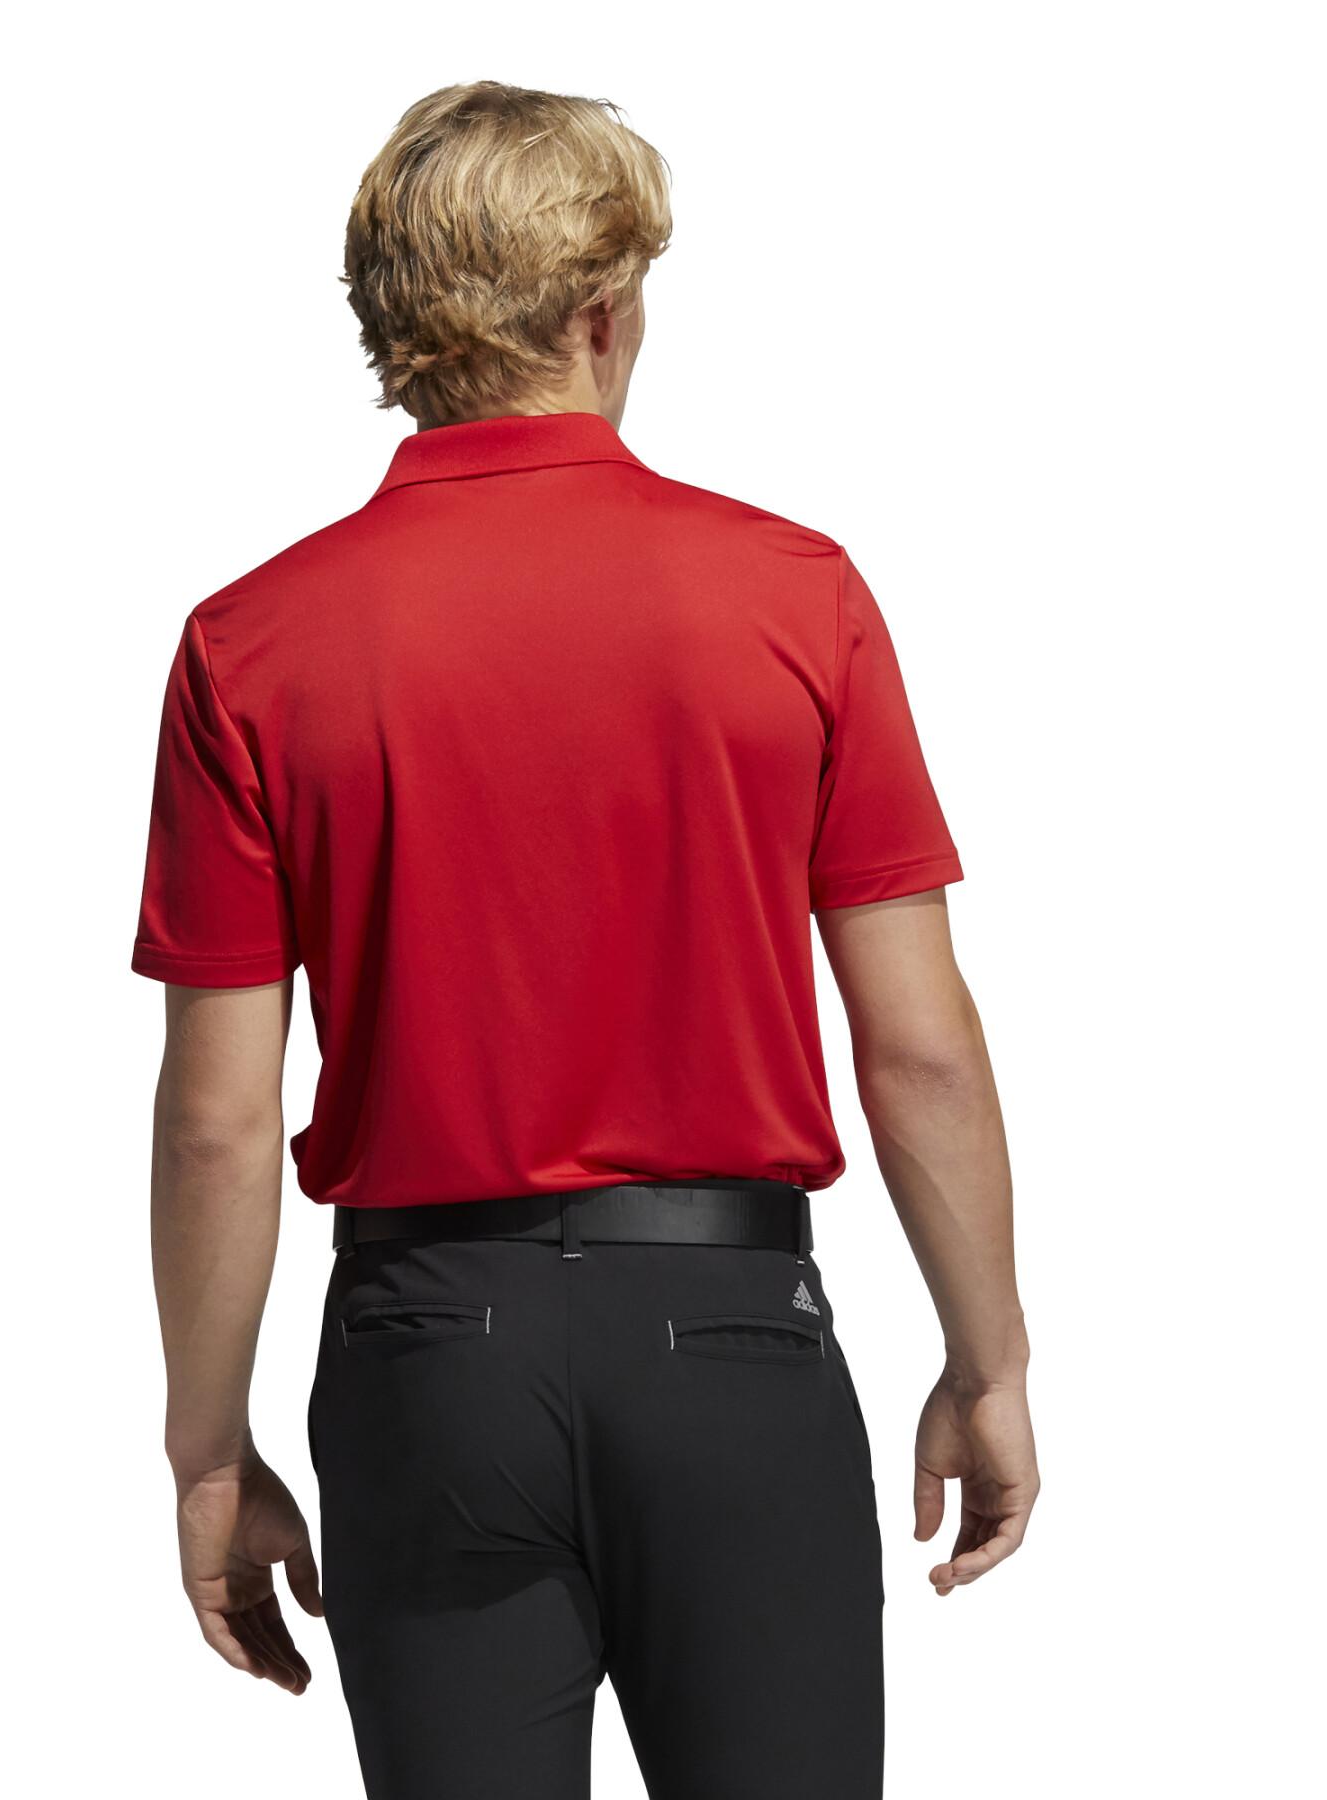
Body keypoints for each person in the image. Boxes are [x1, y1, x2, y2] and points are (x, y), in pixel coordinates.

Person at [133, 79, 1037, 1800]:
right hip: (734, 1340)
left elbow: (218, 1120)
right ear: (602, 310)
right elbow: (917, 1041)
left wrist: (207, 1448)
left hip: (424, 1355)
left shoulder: (252, 645)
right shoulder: (796, 596)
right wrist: (988, 1360)